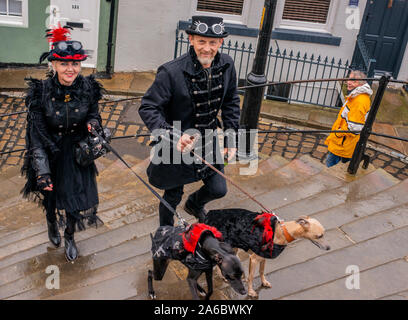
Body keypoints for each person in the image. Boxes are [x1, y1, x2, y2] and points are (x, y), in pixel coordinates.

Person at [139, 16, 240, 226]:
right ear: (191, 39)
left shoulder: (227, 65)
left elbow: (231, 101)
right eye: (201, 41)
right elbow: (148, 106)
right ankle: (164, 235)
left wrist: (231, 138)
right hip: (176, 141)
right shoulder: (170, 72)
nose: (207, 48)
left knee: (218, 189)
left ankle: (194, 204)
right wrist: (171, 135)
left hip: (208, 139)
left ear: (220, 42)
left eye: (213, 42)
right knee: (172, 196)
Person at [21, 24, 104, 261]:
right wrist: (42, 172)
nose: (71, 69)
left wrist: (93, 125)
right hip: (50, 151)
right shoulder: (41, 93)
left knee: (76, 201)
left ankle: (69, 236)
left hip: (78, 151)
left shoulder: (89, 88)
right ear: (54, 65)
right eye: (65, 64)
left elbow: (93, 114)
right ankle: (50, 222)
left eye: (75, 64)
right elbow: (35, 135)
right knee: (51, 196)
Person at [325, 70, 373, 167]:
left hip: (342, 143)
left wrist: (338, 132)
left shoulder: (359, 101)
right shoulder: (357, 96)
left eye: (353, 81)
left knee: (329, 167)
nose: (348, 82)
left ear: (360, 83)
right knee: (345, 163)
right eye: (349, 79)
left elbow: (355, 128)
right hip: (344, 142)